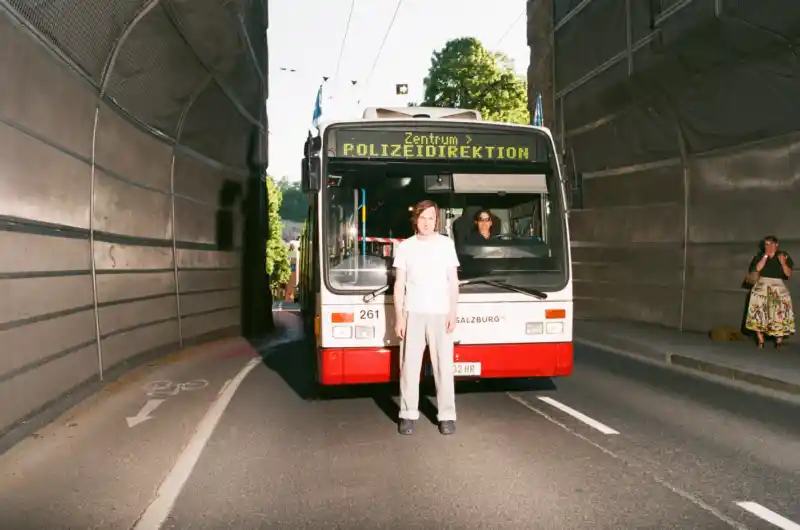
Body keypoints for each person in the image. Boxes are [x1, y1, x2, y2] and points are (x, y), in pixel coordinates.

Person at [393, 199, 460, 435]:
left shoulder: (446, 245)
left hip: (441, 313)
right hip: (413, 313)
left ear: (437, 221)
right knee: (409, 367)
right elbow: (399, 284)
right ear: (416, 220)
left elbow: (453, 282)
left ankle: (446, 416)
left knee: (444, 367)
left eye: (431, 218)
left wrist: (453, 311)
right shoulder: (405, 247)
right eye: (422, 217)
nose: (427, 222)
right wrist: (399, 317)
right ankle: (407, 414)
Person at [745, 235, 794, 349]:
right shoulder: (760, 256)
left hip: (777, 287)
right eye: (766, 244)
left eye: (770, 244)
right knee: (758, 312)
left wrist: (783, 263)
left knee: (779, 313)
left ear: (776, 245)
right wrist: (765, 256)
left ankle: (778, 341)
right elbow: (757, 269)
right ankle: (760, 340)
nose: (768, 246)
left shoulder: (784, 256)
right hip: (762, 286)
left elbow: (788, 274)